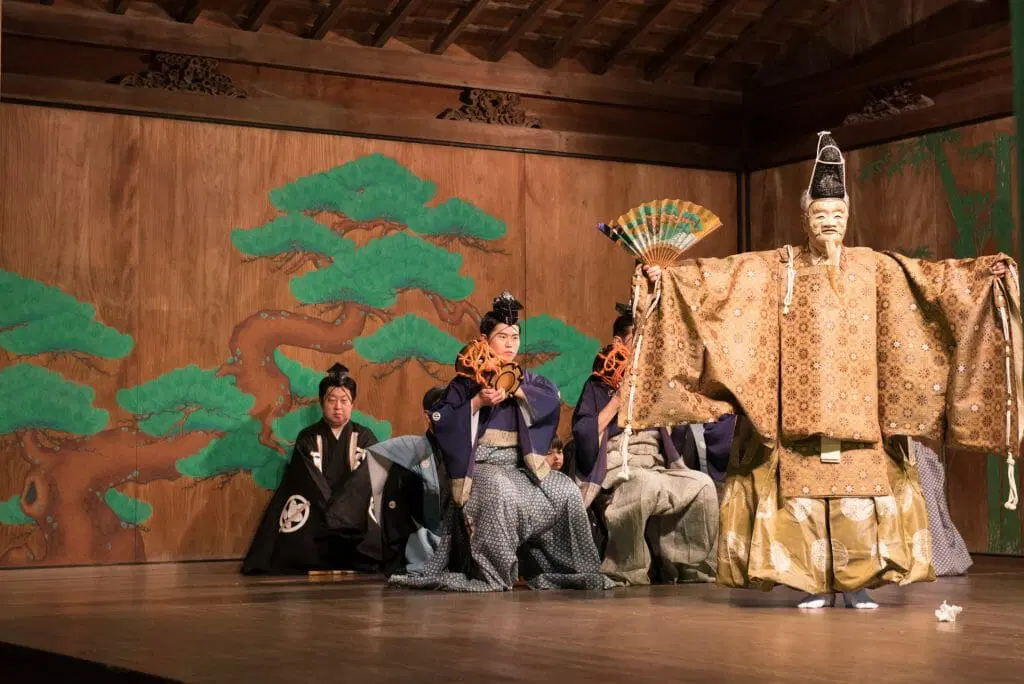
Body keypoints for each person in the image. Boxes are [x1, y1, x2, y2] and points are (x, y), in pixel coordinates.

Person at [632, 131, 1019, 608]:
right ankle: (808, 581)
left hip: (863, 410)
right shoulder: (780, 267)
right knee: (799, 499)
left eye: (838, 215)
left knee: (861, 495)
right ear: (805, 218)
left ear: (848, 217)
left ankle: (857, 586)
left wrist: (981, 276)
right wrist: (669, 278)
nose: (829, 223)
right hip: (793, 409)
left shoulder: (873, 266)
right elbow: (720, 282)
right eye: (820, 215)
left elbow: (932, 282)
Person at [389, 291, 613, 591]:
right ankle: (495, 574)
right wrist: (477, 402)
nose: (510, 344)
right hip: (481, 469)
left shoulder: (524, 378)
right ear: (484, 339)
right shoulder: (466, 381)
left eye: (515, 337)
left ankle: (571, 571)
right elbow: (442, 418)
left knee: (565, 491)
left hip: (520, 467)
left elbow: (550, 399)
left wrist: (517, 390)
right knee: (500, 490)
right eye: (503, 336)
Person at [573, 303, 719, 585]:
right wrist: (617, 400)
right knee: (643, 485)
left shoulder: (653, 384)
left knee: (702, 485)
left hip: (655, 465)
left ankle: (690, 566)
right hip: (618, 468)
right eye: (636, 337)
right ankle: (628, 568)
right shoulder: (597, 385)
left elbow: (675, 438)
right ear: (618, 341)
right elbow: (583, 435)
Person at [241, 363, 381, 575]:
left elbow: (365, 479)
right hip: (318, 509)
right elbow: (308, 479)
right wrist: (332, 512)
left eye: (344, 401)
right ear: (322, 403)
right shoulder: (307, 437)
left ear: (352, 404)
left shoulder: (366, 437)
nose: (338, 407)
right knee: (299, 530)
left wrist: (344, 510)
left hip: (355, 509)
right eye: (331, 400)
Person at [363, 387, 453, 576]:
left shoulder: (463, 452)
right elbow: (395, 511)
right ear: (427, 416)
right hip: (418, 540)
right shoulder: (409, 451)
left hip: (454, 540)